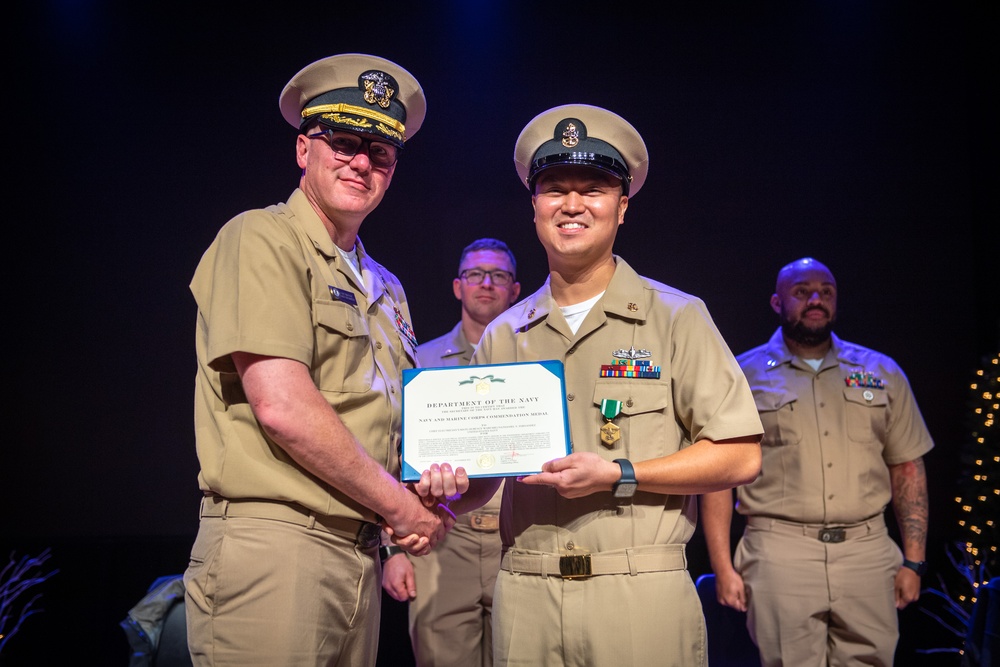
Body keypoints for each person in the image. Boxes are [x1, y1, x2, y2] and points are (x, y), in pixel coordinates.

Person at [441, 104, 764, 666]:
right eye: (554, 188)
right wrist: (443, 487)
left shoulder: (677, 317)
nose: (571, 205)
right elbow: (483, 480)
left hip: (639, 594)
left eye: (592, 188)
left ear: (622, 208)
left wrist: (620, 474)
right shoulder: (501, 335)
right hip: (525, 594)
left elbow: (739, 456)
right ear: (535, 206)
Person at [183, 53, 465, 666]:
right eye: (343, 141)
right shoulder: (259, 237)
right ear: (303, 149)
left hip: (359, 553)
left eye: (380, 153)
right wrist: (402, 508)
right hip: (277, 545)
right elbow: (283, 407)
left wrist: (438, 485)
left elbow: (388, 425)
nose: (361, 162)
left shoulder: (387, 286)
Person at [700, 257, 934, 666]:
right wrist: (723, 567)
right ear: (777, 302)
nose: (816, 299)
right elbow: (721, 477)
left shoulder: (881, 372)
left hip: (867, 551)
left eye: (826, 292)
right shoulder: (742, 374)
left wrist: (913, 560)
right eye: (802, 291)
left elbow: (907, 468)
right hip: (780, 553)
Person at [382, 237, 521, 667]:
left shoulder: (537, 364)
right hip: (442, 542)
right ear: (458, 287)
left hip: (515, 539)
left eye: (499, 275)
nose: (486, 283)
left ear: (515, 290)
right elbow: (389, 454)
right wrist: (395, 552)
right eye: (475, 274)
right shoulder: (420, 363)